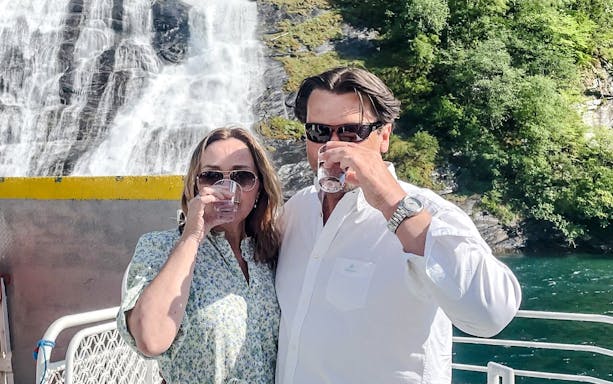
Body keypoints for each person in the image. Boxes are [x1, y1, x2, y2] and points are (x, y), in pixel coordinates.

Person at [275, 67, 522, 384]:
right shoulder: (294, 212)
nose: (334, 146)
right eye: (319, 132)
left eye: (351, 133)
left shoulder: (431, 212)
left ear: (384, 136)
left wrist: (391, 201)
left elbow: (491, 315)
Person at [117, 127, 283, 384]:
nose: (227, 187)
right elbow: (150, 339)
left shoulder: (272, 253)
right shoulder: (159, 246)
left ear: (259, 187)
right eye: (211, 176)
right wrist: (193, 236)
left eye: (242, 176)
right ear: (196, 184)